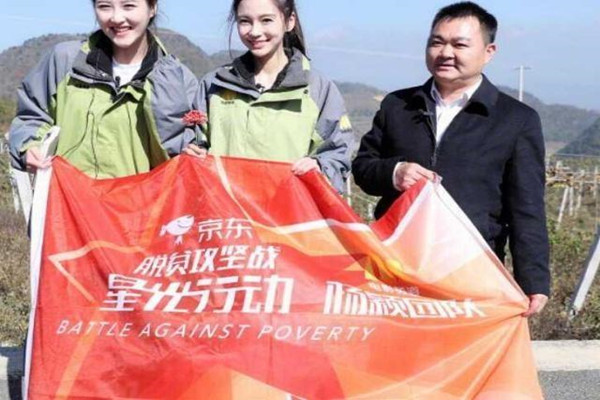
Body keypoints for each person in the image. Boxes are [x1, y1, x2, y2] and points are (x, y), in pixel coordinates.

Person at [352, 1, 549, 316]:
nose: (445, 53)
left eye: (459, 45)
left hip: (472, 270)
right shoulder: (398, 106)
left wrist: (533, 280)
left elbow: (526, 207)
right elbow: (363, 168)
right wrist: (394, 172)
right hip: (396, 266)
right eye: (437, 42)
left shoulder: (515, 119)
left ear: (488, 51)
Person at [9, 0, 201, 178]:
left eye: (128, 5)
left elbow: (187, 149)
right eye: (105, 6)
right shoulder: (65, 61)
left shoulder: (178, 80)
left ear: (152, 8)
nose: (116, 18)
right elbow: (31, 116)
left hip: (140, 202)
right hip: (68, 199)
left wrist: (192, 152)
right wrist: (29, 146)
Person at [185, 0, 354, 193]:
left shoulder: (317, 89)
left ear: (289, 21)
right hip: (225, 209)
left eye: (266, 20)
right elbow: (195, 145)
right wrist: (193, 153)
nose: (255, 31)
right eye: (245, 21)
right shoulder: (214, 85)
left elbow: (337, 154)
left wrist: (320, 167)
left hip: (289, 209)